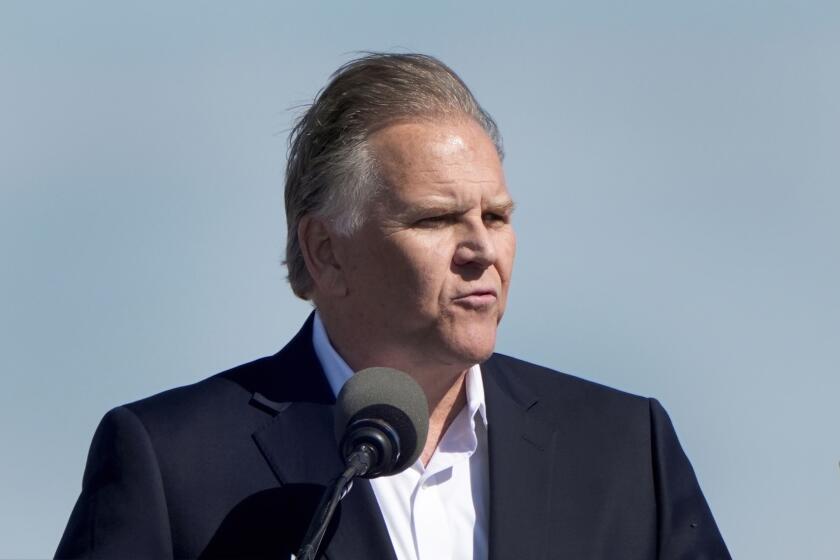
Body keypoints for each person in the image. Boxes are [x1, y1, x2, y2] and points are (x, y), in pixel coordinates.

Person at [56, 53, 730, 559]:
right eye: (436, 220)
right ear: (326, 250)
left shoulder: (622, 448)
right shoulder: (171, 462)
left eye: (496, 216)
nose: (481, 249)